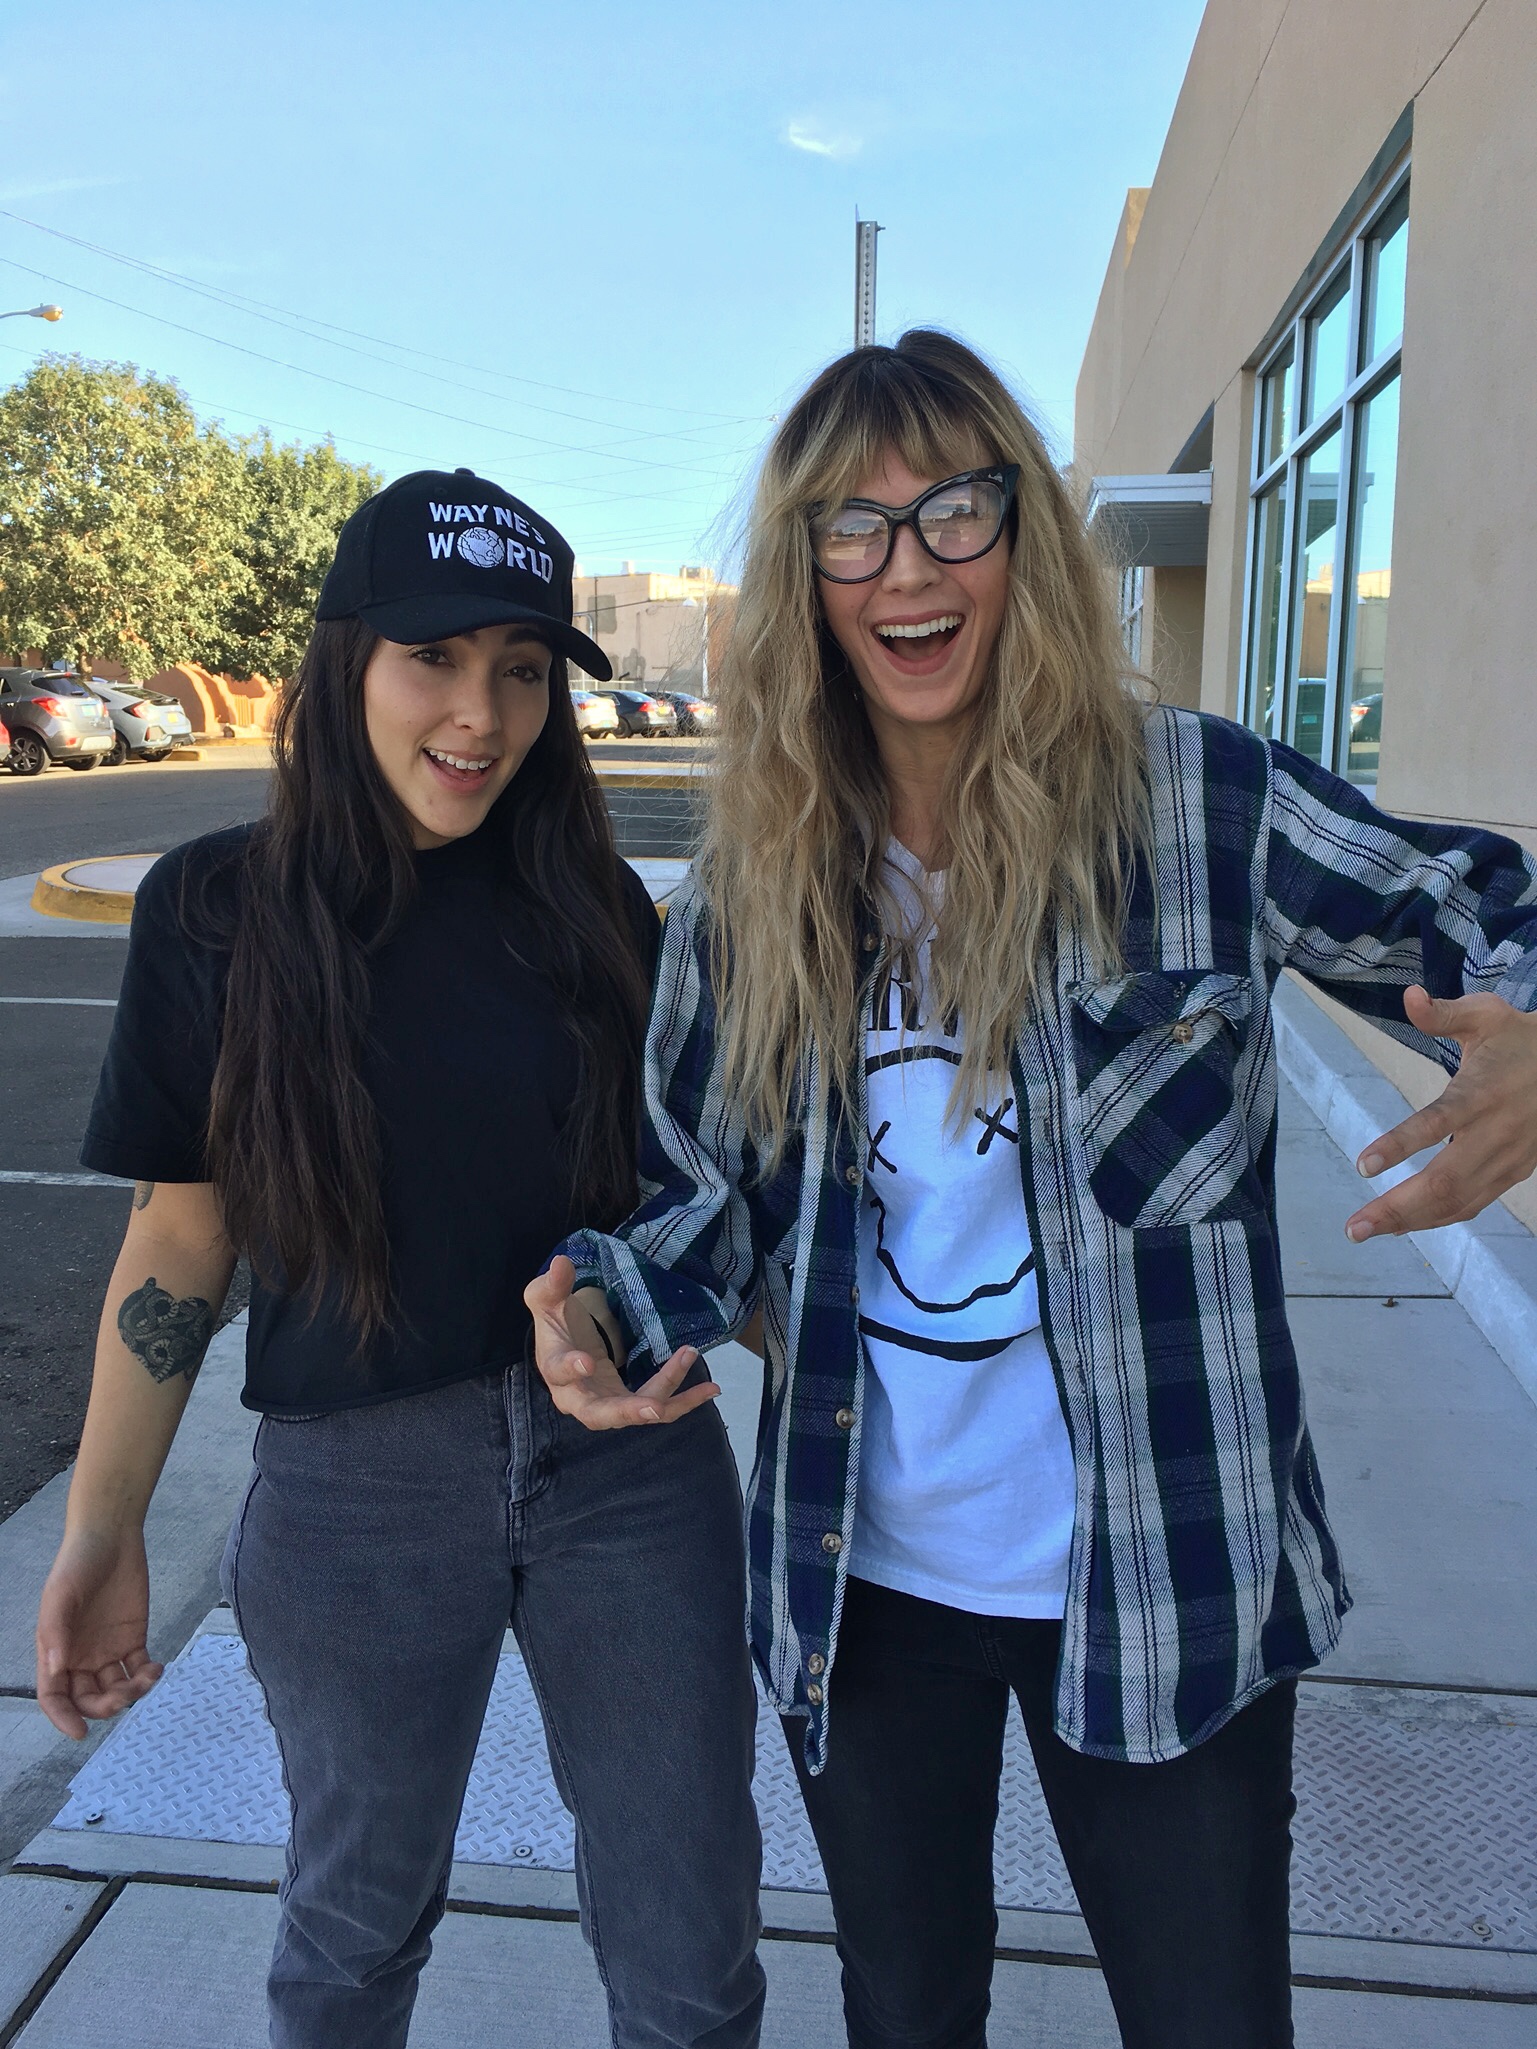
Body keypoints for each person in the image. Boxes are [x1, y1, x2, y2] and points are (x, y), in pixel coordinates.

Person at [525, 332, 1537, 2049]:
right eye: (852, 526)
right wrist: (605, 1305)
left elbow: (1482, 904)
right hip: (870, 1578)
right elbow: (703, 1204)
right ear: (803, 575)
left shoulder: (1196, 806)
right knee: (906, 2014)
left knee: (1209, 2021)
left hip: (1171, 1565)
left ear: (1027, 544)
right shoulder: (751, 894)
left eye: (952, 512)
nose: (906, 565)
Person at [35, 468, 765, 2049]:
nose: (480, 713)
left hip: (629, 1475)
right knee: (354, 1929)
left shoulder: (602, 912)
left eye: (520, 668)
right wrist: (104, 1530)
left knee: (691, 1957)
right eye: (433, 658)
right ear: (346, 656)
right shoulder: (215, 911)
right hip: (355, 1490)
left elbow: (694, 1204)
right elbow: (178, 1240)